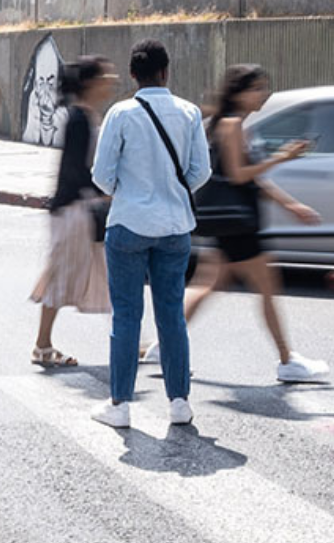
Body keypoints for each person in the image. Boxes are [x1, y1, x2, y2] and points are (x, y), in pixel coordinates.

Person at [141, 65, 329, 382]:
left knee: (206, 286)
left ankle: (163, 346)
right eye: (257, 87)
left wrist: (291, 205)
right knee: (267, 288)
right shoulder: (231, 126)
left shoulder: (233, 125)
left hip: (234, 222)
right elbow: (240, 175)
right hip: (239, 225)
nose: (263, 94)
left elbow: (250, 181)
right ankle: (287, 360)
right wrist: (282, 158)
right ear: (238, 92)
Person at [90, 39, 211, 428]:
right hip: (176, 227)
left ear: (132, 74)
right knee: (171, 314)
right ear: (166, 71)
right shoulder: (189, 112)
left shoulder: (121, 113)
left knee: (126, 315)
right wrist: (173, 192)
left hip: (128, 223)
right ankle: (179, 402)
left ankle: (120, 405)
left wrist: (127, 191)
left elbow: (101, 175)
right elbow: (200, 172)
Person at [29, 56, 118, 367]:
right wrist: (104, 193)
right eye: (106, 75)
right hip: (72, 212)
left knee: (104, 274)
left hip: (78, 210)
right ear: (90, 82)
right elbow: (74, 170)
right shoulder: (80, 118)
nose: (112, 79)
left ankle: (125, 338)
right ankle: (42, 345)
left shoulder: (85, 115)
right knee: (62, 277)